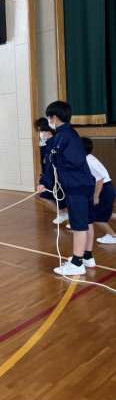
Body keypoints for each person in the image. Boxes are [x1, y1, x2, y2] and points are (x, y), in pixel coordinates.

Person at [38, 101, 96, 276]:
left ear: (54, 117)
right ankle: (87, 257)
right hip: (83, 184)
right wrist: (46, 181)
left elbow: (71, 161)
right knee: (86, 221)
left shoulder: (63, 137)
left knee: (79, 225)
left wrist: (46, 180)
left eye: (49, 117)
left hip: (76, 186)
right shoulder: (70, 134)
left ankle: (77, 263)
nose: (49, 121)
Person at [81, 137, 116, 244]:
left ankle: (113, 236)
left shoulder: (87, 161)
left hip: (104, 189)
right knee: (104, 214)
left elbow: (100, 179)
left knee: (97, 218)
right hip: (106, 188)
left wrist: (96, 196)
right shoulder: (88, 157)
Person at [34, 117, 68, 224]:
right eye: (39, 131)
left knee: (64, 200)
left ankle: (73, 220)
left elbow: (53, 164)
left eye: (42, 131)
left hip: (59, 178)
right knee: (42, 196)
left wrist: (43, 181)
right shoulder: (44, 145)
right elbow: (45, 164)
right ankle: (62, 214)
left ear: (49, 130)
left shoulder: (56, 143)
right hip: (49, 177)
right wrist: (42, 178)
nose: (41, 134)